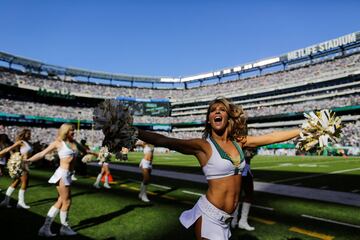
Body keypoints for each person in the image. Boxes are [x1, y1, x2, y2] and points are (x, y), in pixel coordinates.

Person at [136, 97, 300, 240]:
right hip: (209, 216)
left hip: (226, 220)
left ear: (228, 117)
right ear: (209, 119)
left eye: (222, 109)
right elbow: (166, 141)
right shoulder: (204, 146)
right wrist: (134, 132)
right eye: (213, 110)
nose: (217, 112)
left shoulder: (239, 142)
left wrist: (301, 130)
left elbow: (271, 137)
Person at [26, 123, 98, 237]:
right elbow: (41, 153)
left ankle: (45, 228)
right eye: (71, 130)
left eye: (74, 130)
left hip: (69, 175)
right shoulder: (58, 143)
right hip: (62, 174)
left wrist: (99, 154)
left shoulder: (74, 143)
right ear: (65, 131)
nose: (73, 132)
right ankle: (64, 227)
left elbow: (85, 151)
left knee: (60, 201)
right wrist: (28, 160)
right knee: (67, 201)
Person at [0, 128, 33, 209]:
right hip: (21, 164)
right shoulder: (21, 142)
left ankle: (5, 201)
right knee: (25, 181)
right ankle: (20, 203)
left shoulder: (29, 143)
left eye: (30, 134)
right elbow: (9, 149)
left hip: (26, 163)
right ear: (24, 134)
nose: (29, 135)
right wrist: (0, 153)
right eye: (28, 134)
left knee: (17, 181)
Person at [231, 147, 257, 231]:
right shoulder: (235, 141)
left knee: (248, 195)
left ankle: (242, 221)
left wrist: (251, 153)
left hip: (246, 169)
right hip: (237, 169)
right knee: (237, 195)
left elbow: (252, 154)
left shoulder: (247, 141)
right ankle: (234, 220)